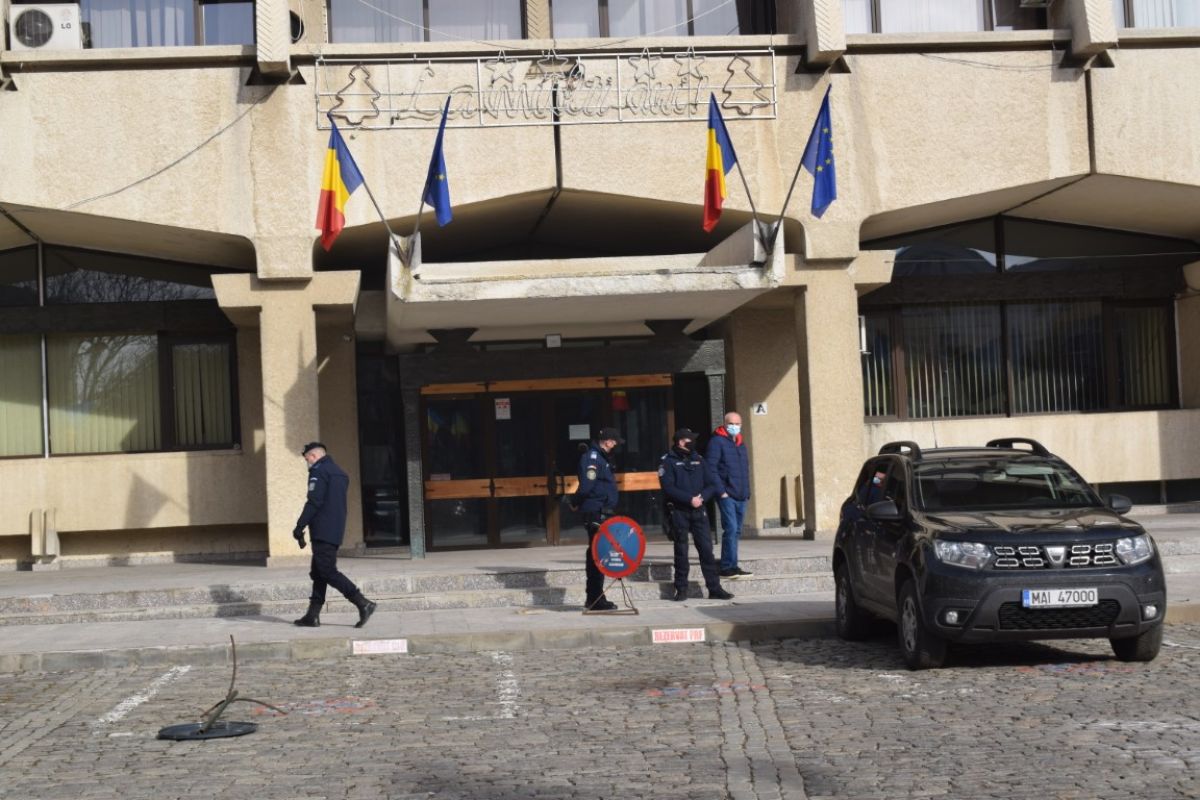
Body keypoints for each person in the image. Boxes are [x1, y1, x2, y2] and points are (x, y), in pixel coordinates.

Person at [292, 442, 377, 628]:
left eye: (307, 459)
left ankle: (363, 603)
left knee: (327, 571)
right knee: (318, 572)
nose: (307, 463)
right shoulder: (339, 473)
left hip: (322, 530)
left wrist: (299, 526)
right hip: (335, 529)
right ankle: (312, 615)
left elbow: (314, 502)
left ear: (313, 456)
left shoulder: (319, 471)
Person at [659, 428, 734, 602]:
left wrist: (702, 498)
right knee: (681, 552)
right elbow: (668, 488)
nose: (693, 442)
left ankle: (714, 588)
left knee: (707, 551)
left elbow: (711, 484)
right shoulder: (667, 461)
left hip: (699, 511)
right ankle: (681, 589)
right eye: (690, 439)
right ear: (681, 442)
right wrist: (689, 499)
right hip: (679, 511)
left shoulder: (699, 459)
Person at [572, 427, 622, 612]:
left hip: (602, 511)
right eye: (614, 442)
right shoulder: (592, 458)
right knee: (597, 554)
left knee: (598, 553)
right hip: (595, 512)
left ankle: (595, 597)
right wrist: (575, 501)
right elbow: (586, 486)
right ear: (607, 441)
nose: (615, 445)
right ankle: (595, 599)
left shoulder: (601, 457)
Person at [707, 411, 752, 579]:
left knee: (737, 530)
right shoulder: (717, 442)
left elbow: (744, 470)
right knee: (731, 528)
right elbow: (711, 468)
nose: (734, 426)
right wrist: (722, 492)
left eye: (737, 424)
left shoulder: (740, 443)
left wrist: (747, 492)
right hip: (727, 495)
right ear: (725, 424)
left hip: (741, 495)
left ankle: (733, 564)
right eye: (731, 424)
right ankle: (726, 567)